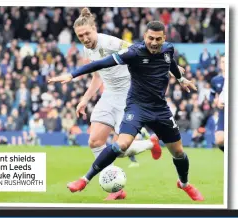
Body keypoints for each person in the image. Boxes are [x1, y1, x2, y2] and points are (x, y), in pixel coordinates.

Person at [49, 20, 204, 201]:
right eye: (150, 38)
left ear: (164, 38)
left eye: (158, 39)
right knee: (119, 145)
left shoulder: (168, 49)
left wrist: (181, 78)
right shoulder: (134, 52)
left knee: (178, 152)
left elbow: (170, 63)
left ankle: (184, 184)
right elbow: (100, 65)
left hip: (160, 108)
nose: (154, 42)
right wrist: (72, 75)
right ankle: (84, 180)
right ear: (145, 36)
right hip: (136, 106)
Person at [49, 8, 162, 201]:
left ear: (95, 29)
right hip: (109, 96)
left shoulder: (109, 42)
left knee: (121, 150)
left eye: (87, 33)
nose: (84, 37)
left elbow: (138, 49)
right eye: (80, 35)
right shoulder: (87, 49)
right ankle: (115, 189)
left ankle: (150, 143)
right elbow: (97, 75)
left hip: (129, 96)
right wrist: (84, 99)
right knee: (95, 142)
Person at [210, 54, 225, 152]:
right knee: (219, 140)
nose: (224, 64)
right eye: (223, 62)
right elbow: (212, 95)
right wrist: (215, 101)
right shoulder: (216, 80)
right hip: (223, 112)